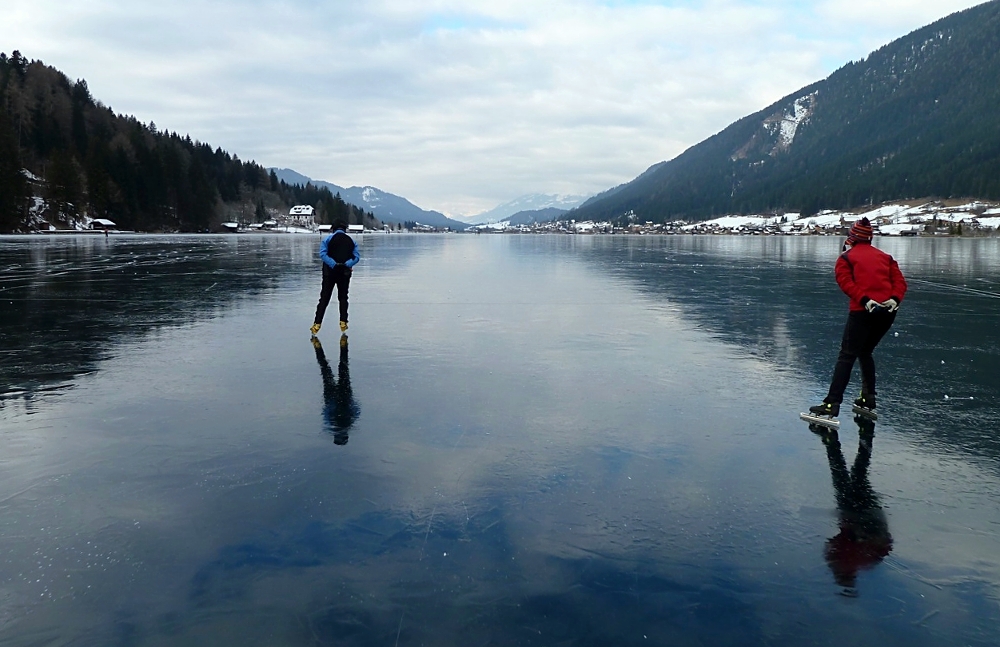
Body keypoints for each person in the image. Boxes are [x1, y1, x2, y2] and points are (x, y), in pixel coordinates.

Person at [809, 217, 907, 419]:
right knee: (865, 351)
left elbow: (845, 282)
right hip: (888, 313)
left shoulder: (846, 258)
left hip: (863, 311)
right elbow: (900, 283)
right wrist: (894, 299)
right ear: (870, 238)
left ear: (851, 238)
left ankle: (831, 403)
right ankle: (868, 398)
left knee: (847, 355)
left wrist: (865, 300)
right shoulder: (886, 257)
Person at [310, 220, 359, 335]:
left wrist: (333, 264)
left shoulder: (327, 239)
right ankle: (343, 322)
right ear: (344, 230)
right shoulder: (351, 240)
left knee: (324, 298)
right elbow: (356, 257)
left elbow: (323, 254)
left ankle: (317, 324)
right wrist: (347, 264)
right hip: (345, 273)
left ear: (333, 229)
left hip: (329, 273)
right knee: (343, 297)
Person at [312, 335, 360, 445]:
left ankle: (343, 345)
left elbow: (356, 409)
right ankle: (318, 346)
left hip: (343, 397)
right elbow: (326, 411)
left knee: (342, 368)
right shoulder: (336, 423)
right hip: (336, 397)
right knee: (326, 369)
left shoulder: (349, 422)